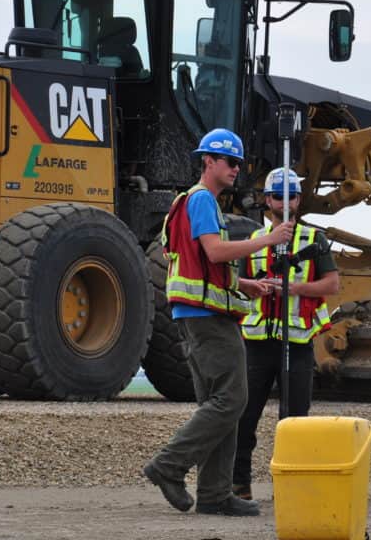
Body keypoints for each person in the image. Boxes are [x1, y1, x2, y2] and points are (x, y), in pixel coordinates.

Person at [143, 129, 294, 517]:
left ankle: (213, 494)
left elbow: (200, 262)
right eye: (229, 162)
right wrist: (268, 239)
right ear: (208, 162)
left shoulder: (184, 204)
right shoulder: (202, 201)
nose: (236, 169)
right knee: (231, 400)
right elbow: (215, 250)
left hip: (198, 314)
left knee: (221, 402)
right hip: (207, 318)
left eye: (239, 163)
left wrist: (245, 285)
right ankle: (169, 465)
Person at [231, 168, 340, 501]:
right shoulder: (253, 242)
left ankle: (290, 489)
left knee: (295, 421)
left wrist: (293, 289)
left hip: (298, 343)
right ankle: (239, 484)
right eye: (278, 196)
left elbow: (332, 284)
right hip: (257, 344)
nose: (284, 202)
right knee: (244, 416)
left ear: (298, 199)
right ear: (268, 200)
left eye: (290, 195)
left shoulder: (313, 240)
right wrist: (259, 288)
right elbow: (239, 288)